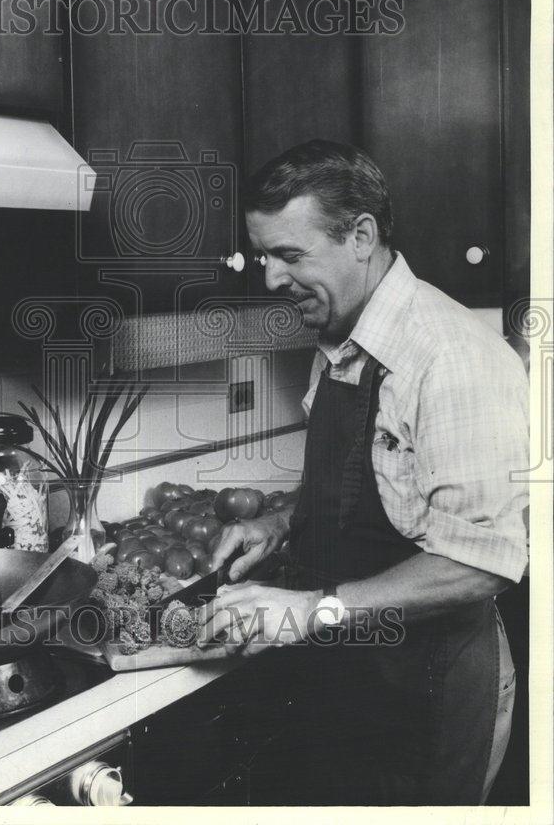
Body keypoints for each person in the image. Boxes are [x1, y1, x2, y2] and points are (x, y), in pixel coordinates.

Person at [199, 139, 528, 806]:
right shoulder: (343, 337)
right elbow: (372, 476)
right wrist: (282, 520)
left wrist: (308, 610)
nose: (270, 279)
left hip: (428, 693)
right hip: (350, 680)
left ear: (361, 236)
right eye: (264, 256)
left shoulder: (454, 358)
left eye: (290, 255)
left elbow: (482, 560)